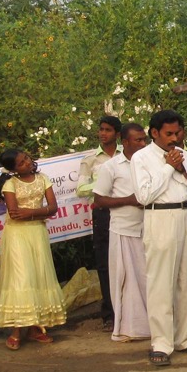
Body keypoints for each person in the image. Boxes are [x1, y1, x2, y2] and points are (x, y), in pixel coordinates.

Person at [132, 109, 187, 367]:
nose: (174, 137)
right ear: (154, 133)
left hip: (186, 215)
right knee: (160, 281)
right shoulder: (141, 158)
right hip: (159, 218)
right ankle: (161, 343)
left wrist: (183, 167)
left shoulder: (185, 154)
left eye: (177, 132)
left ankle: (186, 338)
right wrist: (169, 168)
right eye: (168, 133)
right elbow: (144, 196)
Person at [0, 148, 66, 349]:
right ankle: (16, 330)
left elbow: (53, 208)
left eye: (27, 158)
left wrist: (31, 213)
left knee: (38, 276)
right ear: (13, 169)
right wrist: (40, 212)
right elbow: (15, 214)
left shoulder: (43, 179)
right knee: (21, 277)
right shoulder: (10, 184)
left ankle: (35, 328)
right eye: (22, 162)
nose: (27, 162)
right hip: (17, 236)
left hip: (37, 233)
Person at [92, 122, 150, 342]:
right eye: (138, 140)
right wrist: (129, 200)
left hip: (150, 229)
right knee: (126, 282)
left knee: (148, 279)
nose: (143, 144)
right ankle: (130, 327)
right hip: (123, 230)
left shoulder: (150, 163)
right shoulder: (112, 166)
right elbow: (99, 199)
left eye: (145, 139)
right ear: (125, 142)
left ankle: (153, 326)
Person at [76, 115, 121, 330]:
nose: (103, 133)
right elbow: (81, 189)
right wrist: (104, 184)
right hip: (103, 213)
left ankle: (129, 310)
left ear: (117, 134)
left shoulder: (128, 155)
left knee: (129, 260)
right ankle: (109, 314)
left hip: (126, 211)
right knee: (104, 264)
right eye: (101, 129)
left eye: (108, 130)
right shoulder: (91, 160)